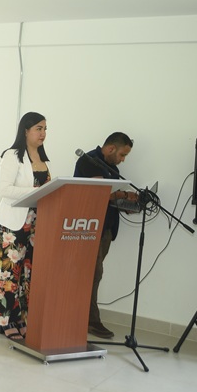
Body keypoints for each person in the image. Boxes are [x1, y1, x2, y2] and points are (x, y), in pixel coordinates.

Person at [0, 112, 50, 340]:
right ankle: (6, 321)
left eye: (45, 129)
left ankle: (20, 319)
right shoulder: (12, 155)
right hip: (13, 226)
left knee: (26, 276)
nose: (43, 133)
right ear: (26, 130)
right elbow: (4, 190)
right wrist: (36, 192)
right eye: (39, 128)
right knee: (9, 276)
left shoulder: (43, 159)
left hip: (35, 226)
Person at [74, 132, 135, 339]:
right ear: (111, 149)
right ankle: (91, 321)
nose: (123, 159)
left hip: (106, 229)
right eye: (122, 154)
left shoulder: (113, 168)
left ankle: (83, 317)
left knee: (93, 275)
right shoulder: (88, 162)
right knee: (94, 274)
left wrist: (127, 204)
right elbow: (96, 194)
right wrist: (123, 194)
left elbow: (110, 197)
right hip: (90, 228)